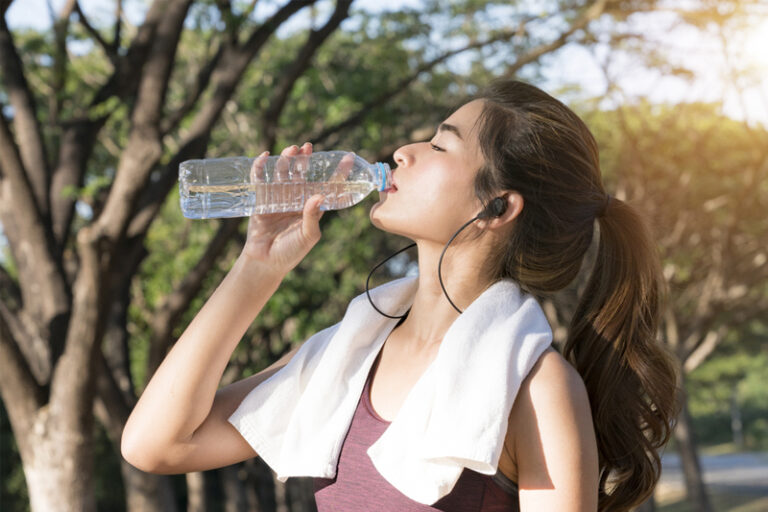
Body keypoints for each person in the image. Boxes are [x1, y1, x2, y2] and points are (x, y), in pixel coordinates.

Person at [121, 79, 679, 511]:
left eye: (439, 144)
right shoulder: (345, 354)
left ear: (497, 207)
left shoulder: (537, 388)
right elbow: (157, 444)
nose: (404, 152)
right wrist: (258, 265)